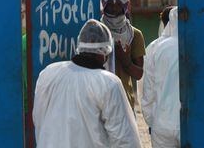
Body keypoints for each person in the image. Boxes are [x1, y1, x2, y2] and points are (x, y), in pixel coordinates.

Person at [33, 19, 141, 148]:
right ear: (105, 52)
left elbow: (38, 118)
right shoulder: (109, 83)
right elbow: (126, 139)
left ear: (79, 47)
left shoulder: (48, 73)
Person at [100, 0, 146, 110]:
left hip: (124, 101)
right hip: (98, 99)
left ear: (125, 6)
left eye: (118, 4)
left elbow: (139, 74)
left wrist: (126, 62)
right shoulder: (96, 31)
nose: (114, 8)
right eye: (110, 4)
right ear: (104, 5)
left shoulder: (134, 35)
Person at [141, 6, 181, 148]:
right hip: (189, 122)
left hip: (162, 124)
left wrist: (152, 121)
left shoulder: (158, 48)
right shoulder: (196, 46)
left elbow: (148, 90)